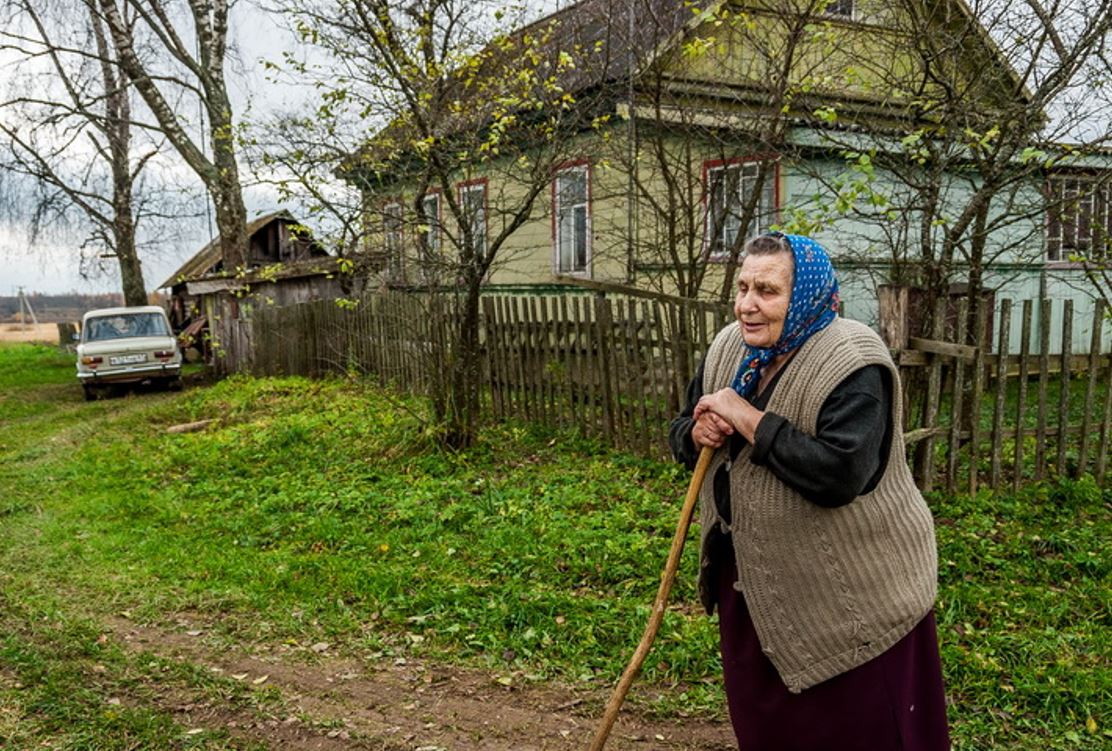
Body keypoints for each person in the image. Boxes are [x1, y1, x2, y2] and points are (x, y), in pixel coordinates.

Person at [669, 232, 950, 751]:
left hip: (853, 600)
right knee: (771, 732)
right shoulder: (729, 348)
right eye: (743, 287)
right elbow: (685, 426)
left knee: (861, 733)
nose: (747, 305)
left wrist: (747, 418)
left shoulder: (852, 361)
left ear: (805, 296)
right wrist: (695, 432)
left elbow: (840, 475)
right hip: (758, 587)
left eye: (767, 291)